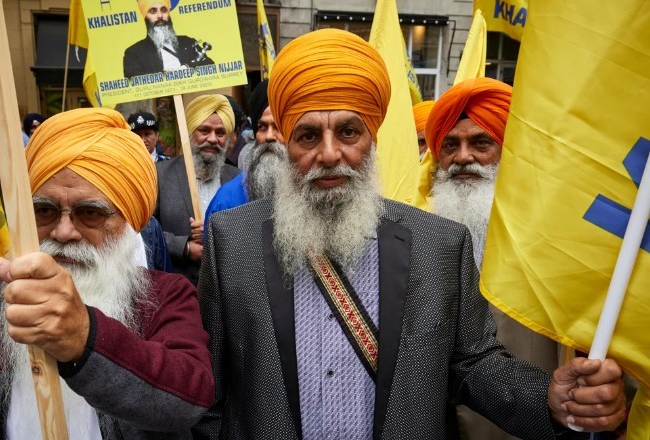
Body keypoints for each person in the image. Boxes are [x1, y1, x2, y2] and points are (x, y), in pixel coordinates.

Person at [194, 29, 625, 440]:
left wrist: (551, 399)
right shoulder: (232, 239)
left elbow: (474, 365)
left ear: (372, 137)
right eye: (308, 135)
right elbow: (207, 386)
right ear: (288, 143)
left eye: (348, 131)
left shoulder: (439, 244)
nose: (329, 154)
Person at [0, 108, 214, 439]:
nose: (63, 231)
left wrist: (84, 339)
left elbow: (188, 402)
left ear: (131, 222)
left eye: (90, 213)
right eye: (44, 210)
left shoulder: (167, 296)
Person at [426, 77, 569, 440]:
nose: (463, 157)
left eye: (480, 143)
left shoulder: (553, 242)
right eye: (450, 145)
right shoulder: (418, 237)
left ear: (508, 152)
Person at [154, 94, 239, 283]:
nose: (212, 139)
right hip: (177, 289)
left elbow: (250, 235)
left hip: (227, 288)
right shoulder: (160, 175)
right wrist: (184, 247)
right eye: (204, 130)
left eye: (220, 132)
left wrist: (215, 232)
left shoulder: (239, 179)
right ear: (191, 132)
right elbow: (144, 230)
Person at [203, 79, 287, 233]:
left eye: (278, 127)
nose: (269, 136)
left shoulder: (315, 191)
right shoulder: (226, 201)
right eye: (262, 127)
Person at [123, 0, 214, 79]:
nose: (160, 16)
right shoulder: (134, 53)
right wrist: (166, 76)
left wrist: (186, 68)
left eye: (164, 10)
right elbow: (133, 79)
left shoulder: (188, 42)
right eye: (153, 11)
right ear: (145, 16)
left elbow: (210, 65)